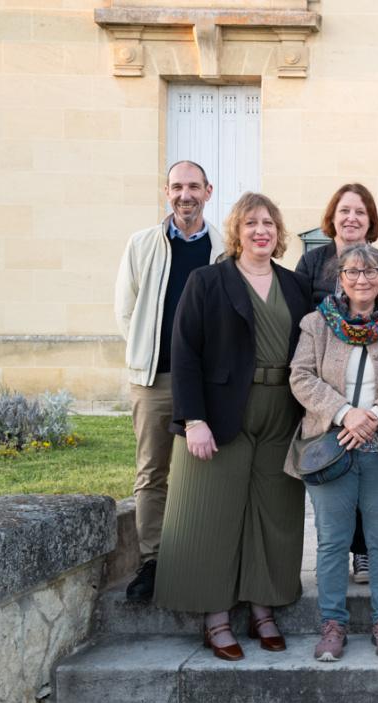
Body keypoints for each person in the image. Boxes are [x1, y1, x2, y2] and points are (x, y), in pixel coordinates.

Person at [154, 192, 310, 660]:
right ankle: (215, 617)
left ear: (278, 233)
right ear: (237, 231)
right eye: (251, 223)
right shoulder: (208, 281)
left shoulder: (294, 285)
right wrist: (194, 419)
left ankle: (263, 609)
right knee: (211, 513)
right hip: (221, 412)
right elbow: (184, 354)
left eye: (268, 223)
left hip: (281, 410)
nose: (261, 230)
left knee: (274, 511)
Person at [288, 243, 378, 661]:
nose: (362, 279)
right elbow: (301, 376)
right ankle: (333, 623)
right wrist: (346, 414)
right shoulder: (316, 323)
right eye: (353, 272)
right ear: (340, 277)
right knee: (332, 540)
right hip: (332, 445)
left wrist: (377, 415)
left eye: (371, 272)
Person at [114, 160, 223, 602]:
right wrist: (146, 354)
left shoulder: (222, 248)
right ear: (166, 191)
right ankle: (152, 561)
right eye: (177, 187)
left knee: (203, 473)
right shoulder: (142, 244)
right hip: (154, 379)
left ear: (208, 191)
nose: (185, 195)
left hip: (205, 383)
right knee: (152, 472)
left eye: (193, 187)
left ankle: (198, 557)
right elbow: (127, 309)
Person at [293, 183, 378, 586]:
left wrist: (373, 410)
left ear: (370, 220)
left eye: (360, 212)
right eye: (344, 210)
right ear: (333, 216)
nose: (351, 218)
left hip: (375, 388)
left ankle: (364, 554)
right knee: (336, 472)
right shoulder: (312, 265)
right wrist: (338, 407)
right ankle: (339, 555)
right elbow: (301, 322)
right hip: (328, 384)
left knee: (374, 478)